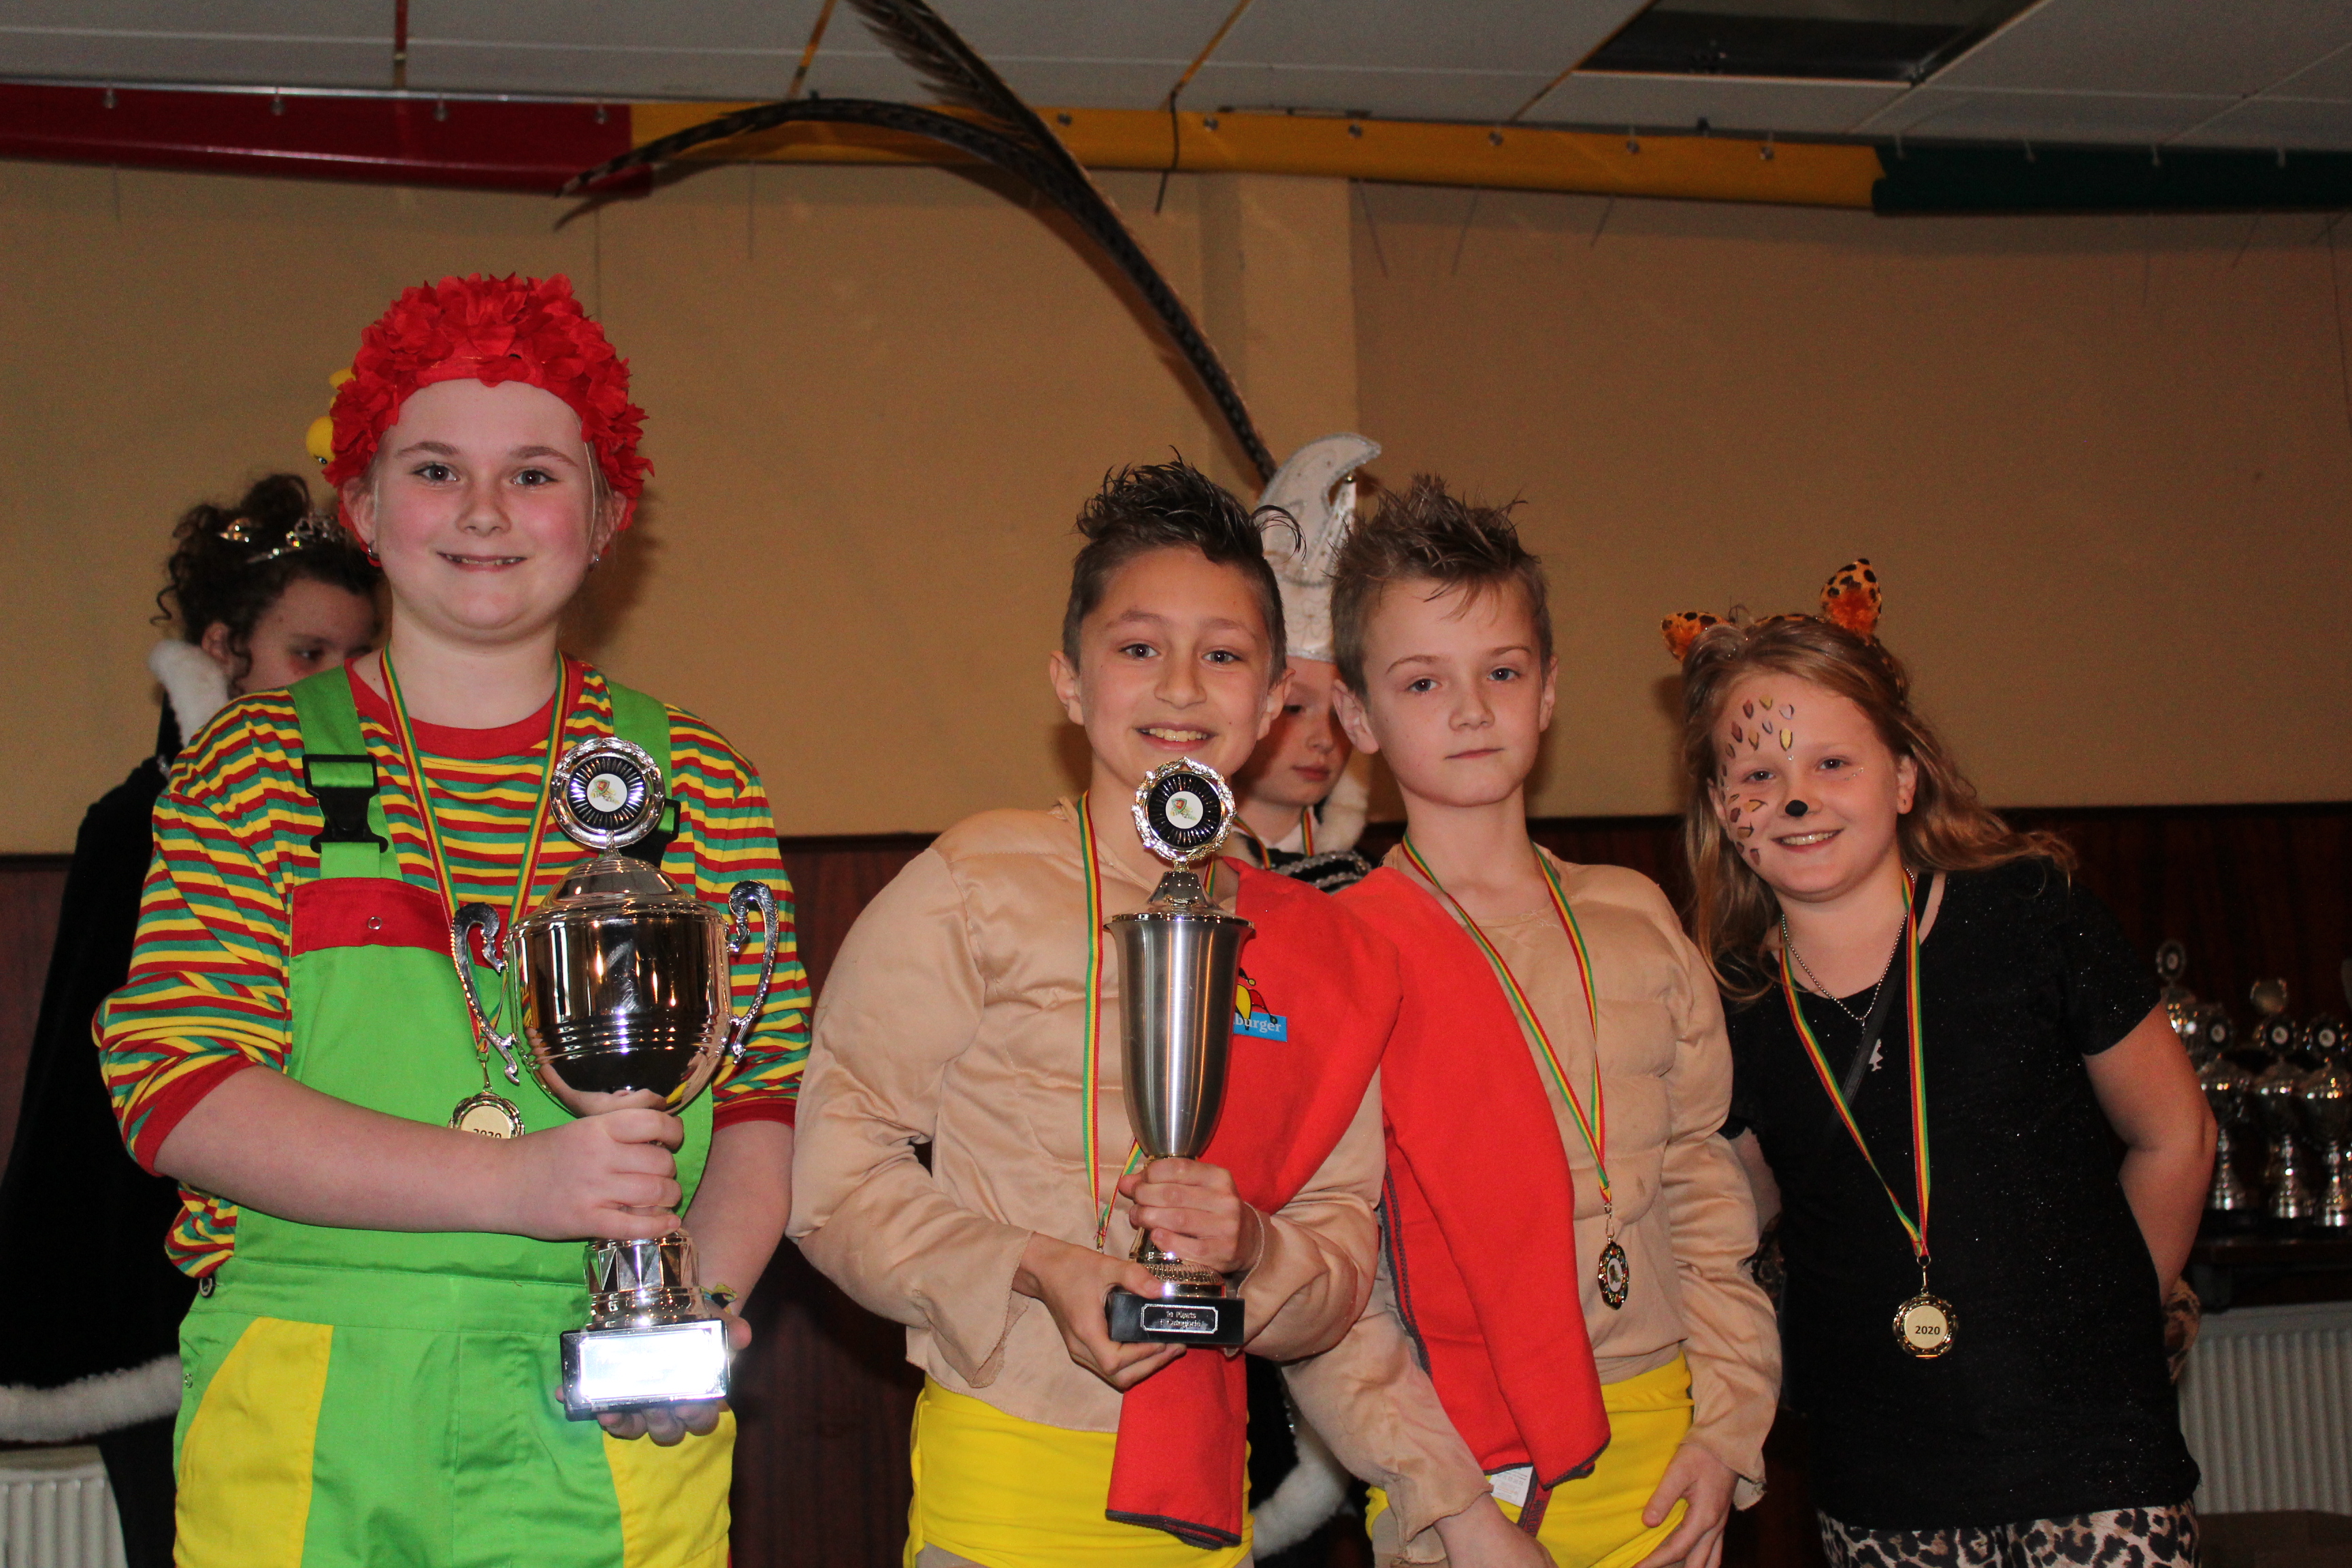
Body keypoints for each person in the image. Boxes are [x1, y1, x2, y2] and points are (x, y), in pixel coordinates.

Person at [96, 274, 809, 1568]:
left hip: (606, 1412)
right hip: (312, 1398)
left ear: (609, 515)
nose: (485, 509)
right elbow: (178, 1086)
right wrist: (513, 1183)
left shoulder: (699, 780)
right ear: (365, 508)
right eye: (437, 469)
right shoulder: (247, 768)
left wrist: (689, 1307)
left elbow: (765, 1098)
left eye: (535, 473)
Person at [789, 459, 1399, 1567]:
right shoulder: (977, 881)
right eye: (1138, 648)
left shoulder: (1316, 946)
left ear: (1273, 701)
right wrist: (1032, 1264)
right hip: (1001, 1485)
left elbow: (1343, 1246)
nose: (1182, 688)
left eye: (1224, 655)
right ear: (1069, 680)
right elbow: (833, 1175)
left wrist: (1255, 1247)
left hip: (1209, 1494)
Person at [1663, 563, 2210, 1567]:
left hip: (2095, 1460)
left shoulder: (2030, 915)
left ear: (1905, 777)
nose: (1796, 799)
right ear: (1718, 804)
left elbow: (2177, 1133)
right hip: (1884, 1486)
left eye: (1833, 763)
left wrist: (2117, 1326)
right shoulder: (1726, 1006)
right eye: (1758, 776)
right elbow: (1730, 1222)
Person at [1288, 478, 1779, 1568]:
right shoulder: (1342, 955)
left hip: (1673, 1463)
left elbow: (1705, 1193)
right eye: (1424, 681)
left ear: (1548, 690)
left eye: (1502, 672)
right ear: (1358, 717)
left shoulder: (1635, 917)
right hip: (1470, 1486)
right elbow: (1335, 1288)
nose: (1471, 710)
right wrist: (1457, 1516)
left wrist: (1727, 1433)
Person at [0, 477, 376, 1568]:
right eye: (308, 654)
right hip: (164, 1300)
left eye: (359, 656)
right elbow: (96, 1098)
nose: (338, 684)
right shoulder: (144, 825)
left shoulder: (373, 822)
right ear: (223, 650)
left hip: (337, 1275)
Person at [1229, 436, 1380, 900]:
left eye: (1340, 716)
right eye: (1295, 708)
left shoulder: (1371, 889)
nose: (1324, 741)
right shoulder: (1180, 871)